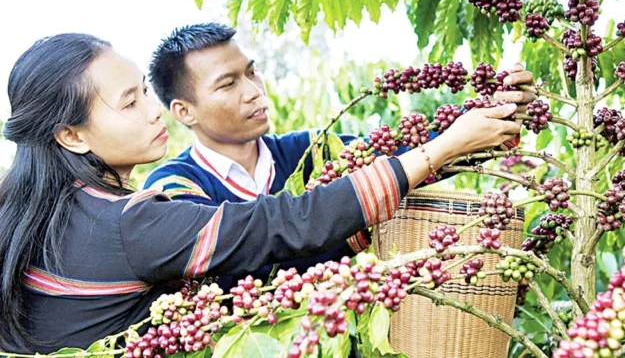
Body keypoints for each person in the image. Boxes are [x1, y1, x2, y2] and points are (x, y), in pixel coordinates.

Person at [0, 33, 524, 353]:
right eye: (130, 102)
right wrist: (442, 149)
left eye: (143, 91)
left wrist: (480, 125)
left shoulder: (52, 207)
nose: (151, 110)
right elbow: (282, 225)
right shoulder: (141, 214)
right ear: (71, 135)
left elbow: (386, 155)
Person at [142, 23, 537, 277]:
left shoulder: (313, 151)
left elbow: (406, 153)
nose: (254, 91)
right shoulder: (174, 189)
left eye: (251, 72)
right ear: (184, 111)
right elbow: (238, 263)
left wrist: (495, 112)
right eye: (227, 84)